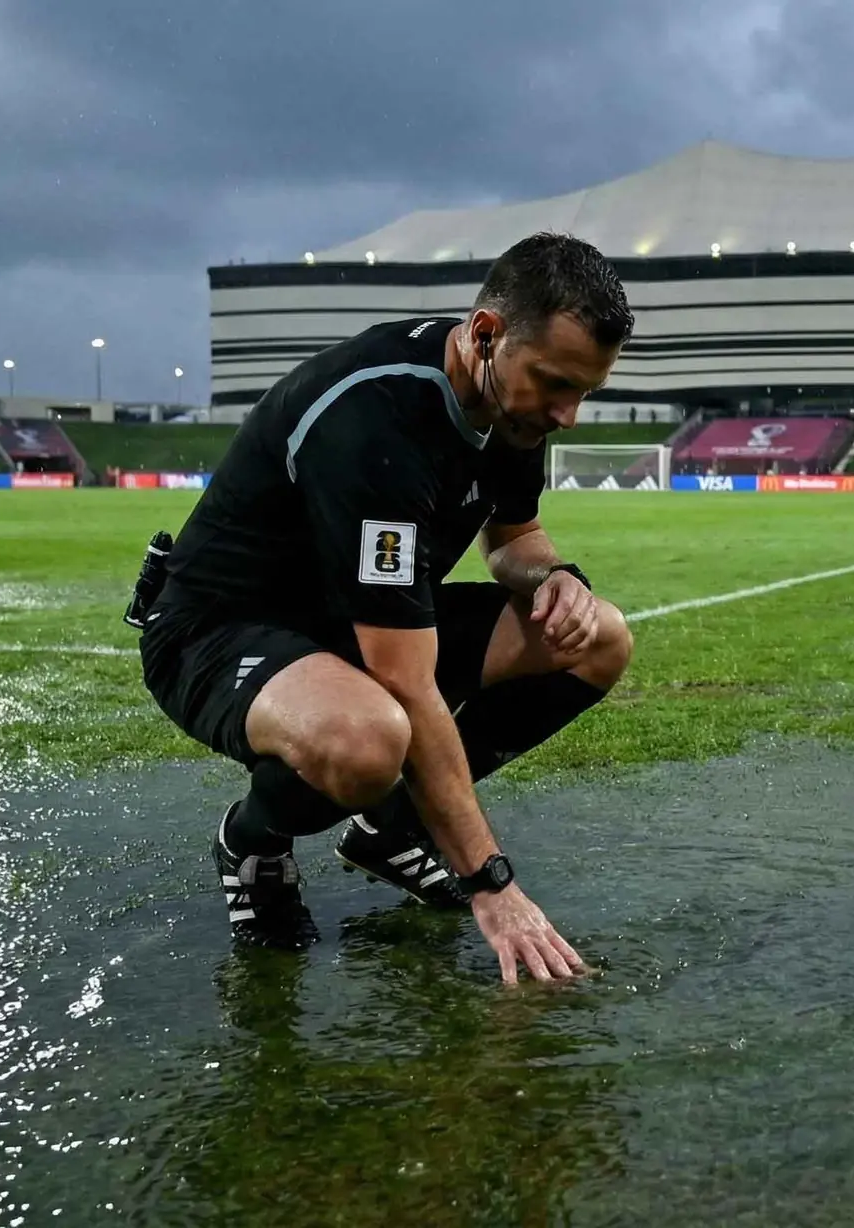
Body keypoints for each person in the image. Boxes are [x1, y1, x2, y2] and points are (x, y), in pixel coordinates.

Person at [136, 232, 635, 979]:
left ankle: (388, 833)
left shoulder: (512, 401)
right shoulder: (381, 419)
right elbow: (404, 679)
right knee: (371, 736)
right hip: (220, 628)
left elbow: (515, 536)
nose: (567, 415)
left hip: (349, 623)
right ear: (487, 335)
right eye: (556, 384)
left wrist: (553, 578)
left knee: (597, 638)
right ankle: (252, 841)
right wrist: (491, 885)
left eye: (584, 393)